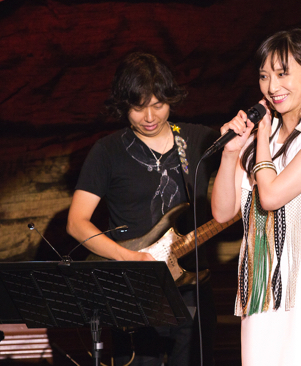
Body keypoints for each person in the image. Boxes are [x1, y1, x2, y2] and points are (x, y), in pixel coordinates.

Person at [211, 28, 301, 365]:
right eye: (264, 76)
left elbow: (271, 196)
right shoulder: (258, 140)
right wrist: (231, 152)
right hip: (264, 292)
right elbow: (222, 212)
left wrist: (261, 135)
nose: (272, 86)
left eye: (282, 74)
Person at [66, 51, 218, 366]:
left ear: (171, 99)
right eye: (138, 108)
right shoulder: (107, 151)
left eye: (158, 105)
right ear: (124, 105)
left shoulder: (198, 140)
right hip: (135, 289)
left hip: (191, 289)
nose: (149, 117)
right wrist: (131, 258)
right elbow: (77, 223)